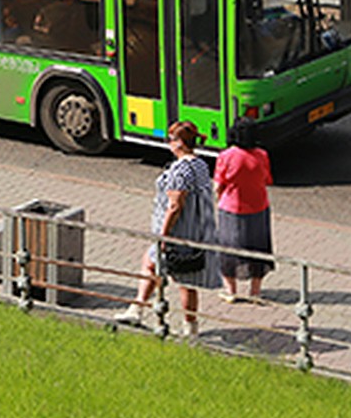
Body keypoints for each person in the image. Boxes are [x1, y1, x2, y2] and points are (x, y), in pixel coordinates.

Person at [115, 120, 219, 336]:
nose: (169, 143)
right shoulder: (199, 164)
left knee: (181, 279)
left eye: (170, 139)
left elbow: (175, 205)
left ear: (179, 143)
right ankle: (141, 309)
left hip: (178, 233)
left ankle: (147, 313)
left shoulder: (181, 170)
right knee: (156, 266)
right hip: (195, 230)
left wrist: (164, 235)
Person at [214, 117, 275, 301]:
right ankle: (255, 291)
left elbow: (218, 185)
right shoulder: (262, 155)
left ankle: (230, 290)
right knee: (258, 247)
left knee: (228, 247)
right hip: (258, 206)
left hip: (231, 208)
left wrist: (220, 198)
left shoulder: (226, 156)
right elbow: (267, 180)